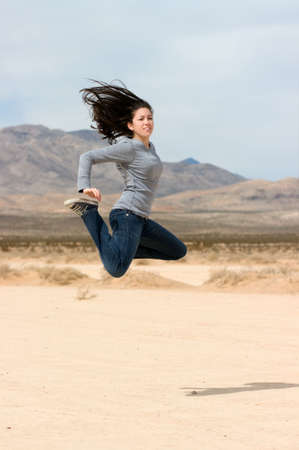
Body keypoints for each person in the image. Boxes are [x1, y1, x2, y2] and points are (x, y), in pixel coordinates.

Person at [64, 80, 187, 277]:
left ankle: (119, 250)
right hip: (127, 214)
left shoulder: (150, 147)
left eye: (150, 117)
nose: (147, 122)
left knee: (177, 250)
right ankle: (89, 213)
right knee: (117, 269)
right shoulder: (127, 148)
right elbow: (87, 157)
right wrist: (84, 187)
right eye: (141, 119)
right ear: (130, 124)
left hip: (142, 219)